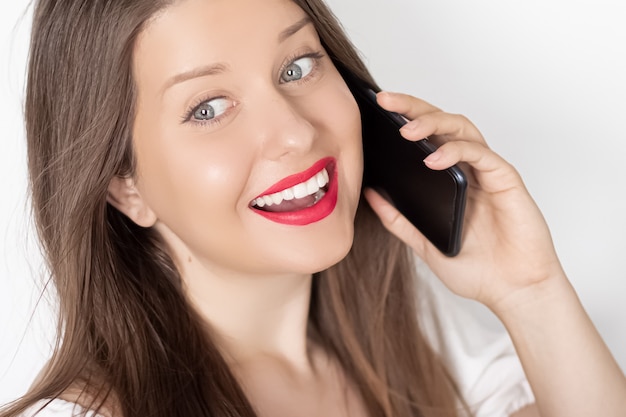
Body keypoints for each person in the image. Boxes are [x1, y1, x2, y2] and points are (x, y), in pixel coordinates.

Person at [2, 0, 625, 416]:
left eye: (298, 66)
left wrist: (530, 291)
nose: (295, 133)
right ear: (124, 187)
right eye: (208, 108)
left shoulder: (426, 343)